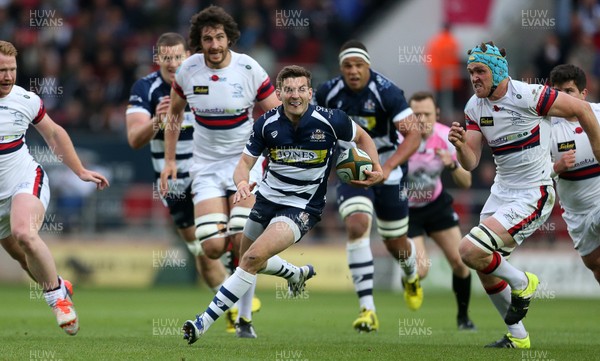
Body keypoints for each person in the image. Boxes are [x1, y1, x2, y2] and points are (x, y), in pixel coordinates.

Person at [181, 64, 384, 345]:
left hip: (301, 208)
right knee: (247, 260)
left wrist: (377, 167)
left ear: (310, 93)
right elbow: (244, 164)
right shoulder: (266, 123)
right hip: (266, 199)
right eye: (288, 90)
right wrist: (241, 183)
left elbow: (362, 137)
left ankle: (204, 321)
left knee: (251, 259)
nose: (295, 95)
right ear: (279, 93)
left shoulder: (331, 120)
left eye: (301, 89)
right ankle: (295, 274)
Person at [449, 41, 600, 349]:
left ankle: (522, 282)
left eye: (480, 71)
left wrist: (598, 149)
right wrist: (461, 146)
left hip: (533, 193)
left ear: (497, 71)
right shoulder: (473, 108)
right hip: (501, 194)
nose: (474, 78)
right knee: (483, 264)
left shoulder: (529, 95)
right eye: (470, 72)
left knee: (468, 250)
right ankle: (517, 336)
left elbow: (583, 108)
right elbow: (472, 162)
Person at [159, 6, 298, 338]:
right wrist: (169, 161)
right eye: (207, 38)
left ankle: (244, 319)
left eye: (220, 37)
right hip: (204, 167)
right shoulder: (188, 71)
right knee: (211, 249)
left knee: (242, 243)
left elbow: (276, 115)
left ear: (229, 38)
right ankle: (292, 272)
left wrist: (285, 155)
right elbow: (175, 116)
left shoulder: (248, 68)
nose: (214, 44)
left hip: (245, 164)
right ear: (199, 42)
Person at [0, 40, 109, 335]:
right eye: (1, 70)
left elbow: (55, 134)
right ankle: (60, 284)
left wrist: (80, 171)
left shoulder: (25, 100)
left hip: (25, 179)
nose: (7, 76)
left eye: (11, 69)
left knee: (25, 233)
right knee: (24, 260)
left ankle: (58, 300)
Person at [314, 39, 421, 333]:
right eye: (348, 65)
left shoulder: (387, 91)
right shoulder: (328, 92)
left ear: (368, 66)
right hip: (352, 169)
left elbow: (413, 136)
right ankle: (367, 310)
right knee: (357, 225)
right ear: (341, 68)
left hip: (388, 169)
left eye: (359, 65)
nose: (353, 71)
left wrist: (385, 168)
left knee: (395, 241)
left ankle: (410, 275)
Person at [125, 32, 231, 319]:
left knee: (223, 238)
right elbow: (134, 139)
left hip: (208, 173)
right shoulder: (145, 88)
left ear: (188, 56)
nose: (173, 63)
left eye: (178, 57)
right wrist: (156, 121)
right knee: (202, 251)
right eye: (166, 57)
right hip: (172, 182)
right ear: (157, 58)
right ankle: (232, 308)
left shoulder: (205, 80)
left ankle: (238, 299)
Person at [407, 91, 475, 330]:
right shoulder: (398, 139)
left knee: (461, 261)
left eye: (426, 113)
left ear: (436, 114)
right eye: (416, 114)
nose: (421, 119)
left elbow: (466, 181)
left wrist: (453, 163)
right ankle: (411, 278)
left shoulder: (446, 136)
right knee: (422, 269)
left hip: (436, 205)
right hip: (407, 211)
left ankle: (463, 318)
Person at [548, 64, 600, 284]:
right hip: (576, 214)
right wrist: (556, 168)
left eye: (568, 91)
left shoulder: (598, 114)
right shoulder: (545, 126)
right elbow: (533, 173)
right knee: (594, 264)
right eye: (557, 92)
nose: (563, 97)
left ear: (583, 94)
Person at [425, 23, 462, 120]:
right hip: (451, 77)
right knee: (453, 101)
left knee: (439, 100)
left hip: (438, 77)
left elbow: (429, 59)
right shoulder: (453, 41)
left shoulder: (435, 41)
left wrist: (438, 70)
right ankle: (453, 117)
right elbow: (456, 57)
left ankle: (438, 117)